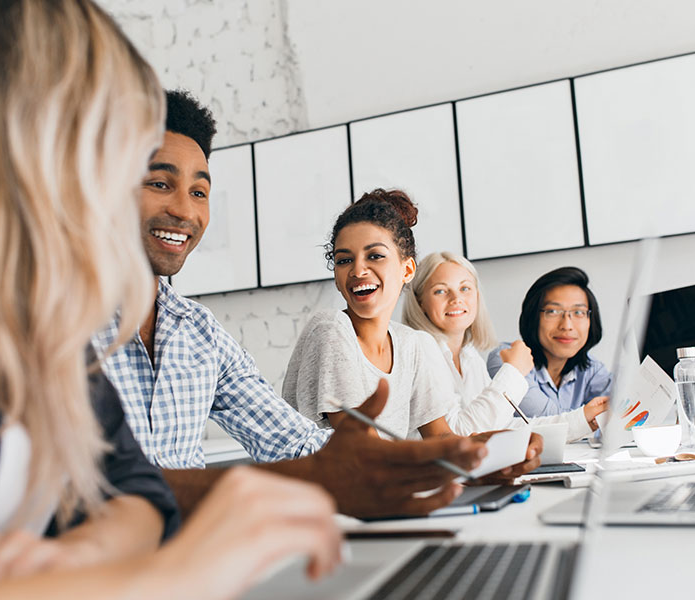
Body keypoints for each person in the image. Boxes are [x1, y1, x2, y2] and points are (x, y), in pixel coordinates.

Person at [0, 0, 341, 596]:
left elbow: (134, 491)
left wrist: (80, 558)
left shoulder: (35, 316)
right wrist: (166, 576)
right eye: (114, 150)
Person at [94, 91, 488, 518]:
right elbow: (66, 489)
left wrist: (471, 464)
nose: (184, 210)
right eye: (159, 184)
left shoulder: (199, 334)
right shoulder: (51, 322)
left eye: (200, 191)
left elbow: (292, 440)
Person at [284, 190, 543, 478]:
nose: (358, 269)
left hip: (384, 492)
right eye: (344, 260)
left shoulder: (413, 344)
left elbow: (441, 438)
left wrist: (492, 454)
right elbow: (364, 450)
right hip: (328, 501)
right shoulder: (332, 330)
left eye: (375, 256)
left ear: (407, 269)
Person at [402, 252, 605, 440]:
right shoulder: (420, 346)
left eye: (465, 288)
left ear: (477, 296)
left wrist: (582, 419)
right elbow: (458, 436)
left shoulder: (470, 357)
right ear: (420, 302)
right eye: (440, 291)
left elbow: (501, 429)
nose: (456, 299)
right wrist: (514, 371)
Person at [487, 266, 611, 422]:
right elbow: (550, 421)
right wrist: (592, 416)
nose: (567, 325)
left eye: (578, 312)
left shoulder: (592, 370)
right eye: (553, 311)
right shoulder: (506, 358)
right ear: (533, 317)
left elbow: (621, 414)